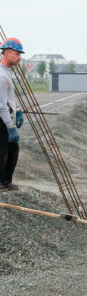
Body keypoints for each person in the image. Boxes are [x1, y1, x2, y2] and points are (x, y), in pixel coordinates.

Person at [0, 38, 25, 192]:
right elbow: (1, 105)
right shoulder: (1, 76)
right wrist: (10, 127)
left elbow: (10, 97)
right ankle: (2, 183)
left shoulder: (6, 72)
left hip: (7, 117)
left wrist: (18, 110)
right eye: (17, 54)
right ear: (7, 53)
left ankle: (5, 181)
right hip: (2, 119)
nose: (19, 57)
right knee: (2, 150)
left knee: (12, 148)